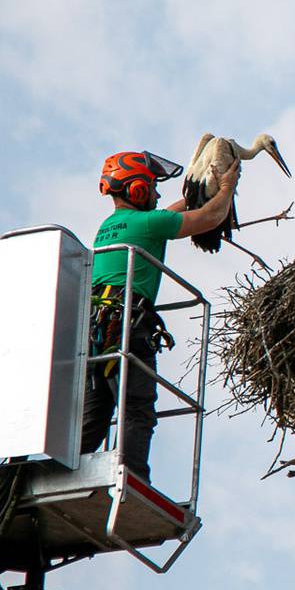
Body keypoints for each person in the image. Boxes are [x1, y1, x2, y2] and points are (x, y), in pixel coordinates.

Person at [80, 149, 238, 478]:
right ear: (136, 189)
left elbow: (169, 213)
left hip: (94, 330)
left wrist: (197, 192)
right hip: (126, 326)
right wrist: (226, 188)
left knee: (92, 422)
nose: (156, 193)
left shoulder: (111, 225)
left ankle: (52, 469)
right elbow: (210, 218)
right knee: (137, 408)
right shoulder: (150, 222)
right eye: (152, 186)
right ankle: (133, 478)